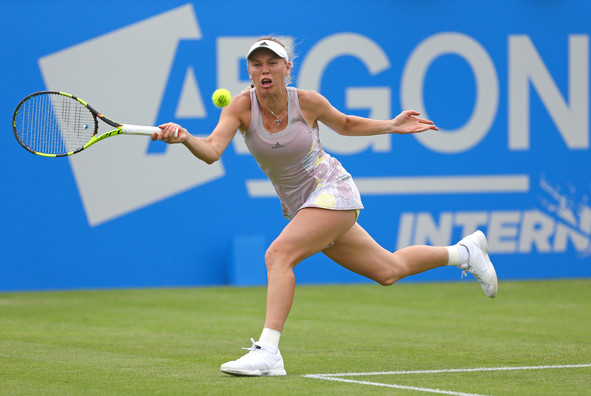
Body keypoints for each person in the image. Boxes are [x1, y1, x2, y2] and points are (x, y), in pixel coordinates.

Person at [153, 37, 498, 377]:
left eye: (272, 62)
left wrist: (391, 126)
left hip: (333, 191)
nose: (264, 69)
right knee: (388, 270)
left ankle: (269, 352)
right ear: (250, 72)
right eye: (256, 64)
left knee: (278, 256)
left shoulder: (307, 102)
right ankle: (464, 253)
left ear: (287, 68)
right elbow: (212, 150)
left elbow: (346, 124)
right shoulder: (240, 107)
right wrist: (185, 139)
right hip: (304, 206)